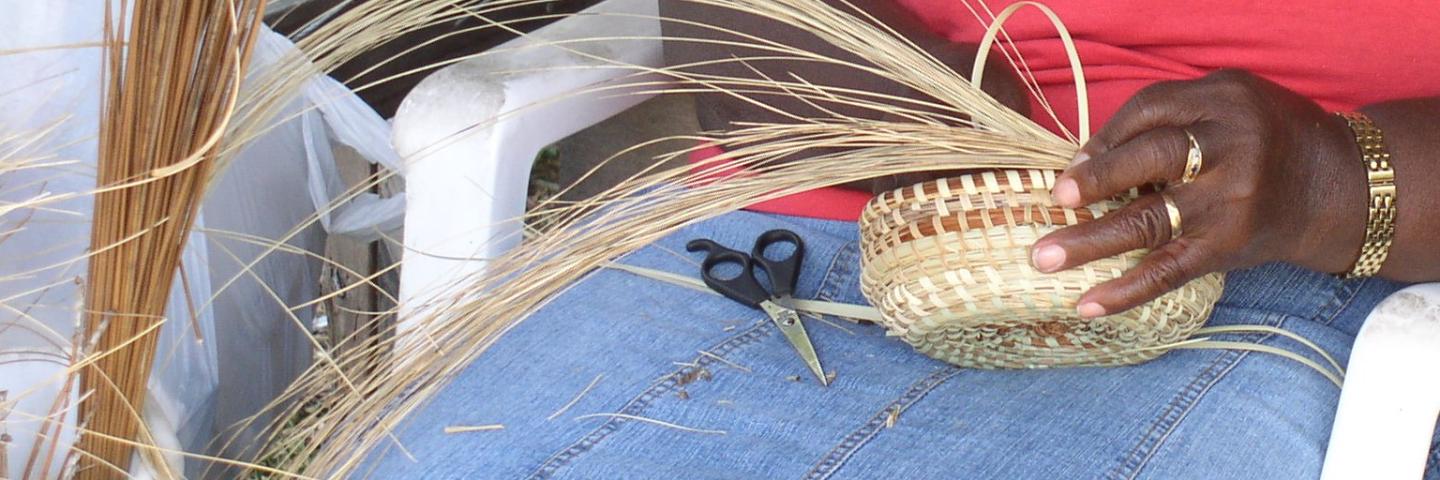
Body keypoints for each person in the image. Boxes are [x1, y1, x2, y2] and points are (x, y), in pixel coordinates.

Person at [370, 1, 1440, 477]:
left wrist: (1330, 182)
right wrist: (962, 148)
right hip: (791, 223)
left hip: (1292, 265)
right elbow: (734, 21)